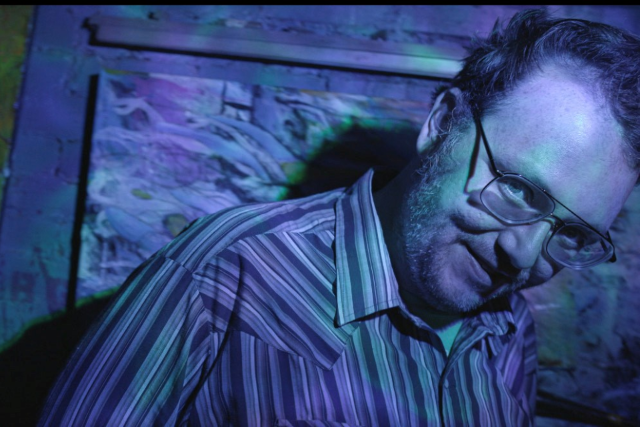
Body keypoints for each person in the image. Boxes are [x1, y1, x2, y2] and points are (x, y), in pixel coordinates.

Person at [39, 9, 640, 426]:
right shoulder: (220, 275)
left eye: (572, 232)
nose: (524, 255)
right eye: (517, 190)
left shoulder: (511, 330)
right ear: (442, 125)